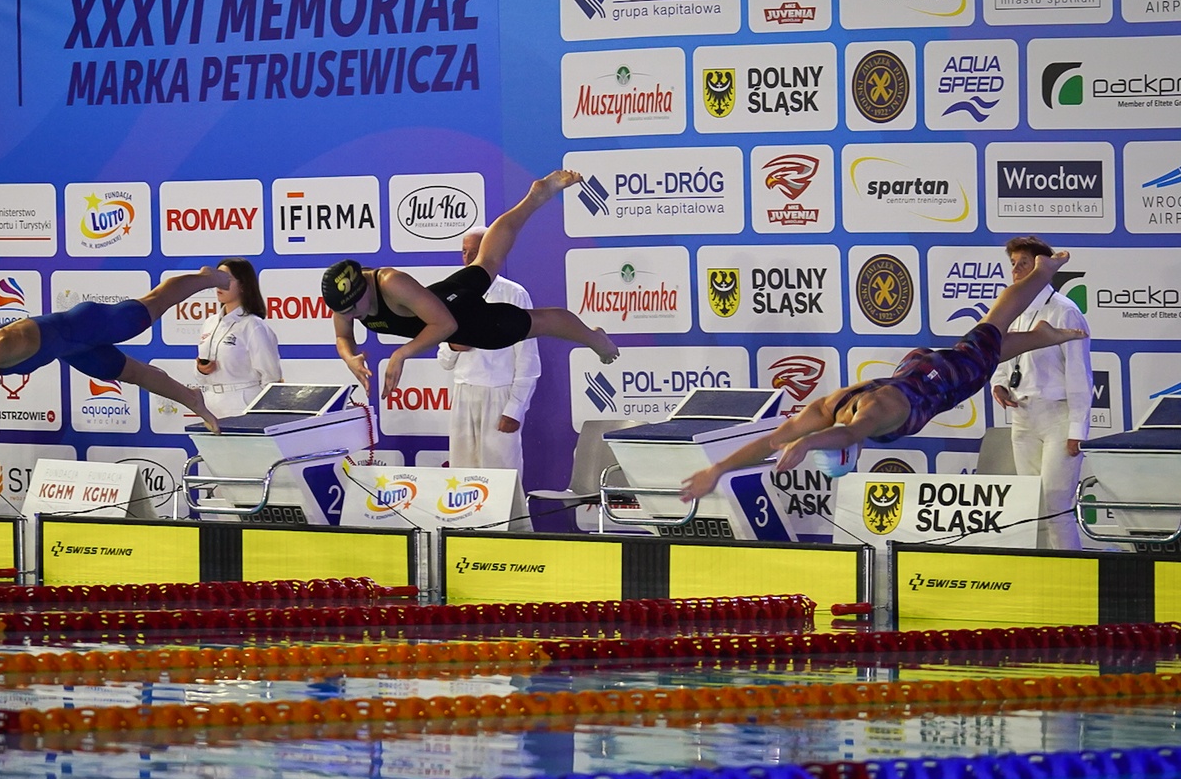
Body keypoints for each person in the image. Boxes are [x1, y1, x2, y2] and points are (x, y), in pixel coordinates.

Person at [681, 251, 1087, 502]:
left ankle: (1043, 272)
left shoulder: (872, 416)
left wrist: (805, 443)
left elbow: (847, 435)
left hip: (941, 380)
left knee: (992, 325)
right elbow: (771, 441)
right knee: (979, 349)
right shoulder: (828, 408)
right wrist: (717, 470)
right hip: (916, 368)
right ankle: (1040, 336)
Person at [322, 169, 618, 398]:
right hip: (446, 294)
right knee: (486, 261)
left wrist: (402, 353)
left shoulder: (392, 283)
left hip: (463, 318)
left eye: (353, 309)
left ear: (364, 286)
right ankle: (536, 196)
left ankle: (597, 340)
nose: (350, 316)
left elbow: (445, 325)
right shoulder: (344, 295)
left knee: (540, 322)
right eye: (344, 312)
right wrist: (350, 358)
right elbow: (343, 336)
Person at [0, 265, 232, 433]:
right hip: (73, 350)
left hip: (84, 324)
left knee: (153, 304)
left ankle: (206, 277)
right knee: (135, 374)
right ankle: (193, 400)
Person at [990, 236, 1091, 550]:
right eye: (1013, 264)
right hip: (1022, 416)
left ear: (1043, 267)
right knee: (1032, 504)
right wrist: (999, 382)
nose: (1016, 270)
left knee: (1056, 503)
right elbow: (1003, 353)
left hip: (1057, 417)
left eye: (1024, 263)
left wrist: (1077, 430)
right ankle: (1042, 570)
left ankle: (1072, 573)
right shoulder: (1012, 307)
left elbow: (1080, 374)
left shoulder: (1064, 311)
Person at [437, 227, 541, 474]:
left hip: (499, 396)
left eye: (475, 252)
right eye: (465, 252)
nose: (468, 258)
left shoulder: (514, 294)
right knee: (462, 476)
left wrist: (515, 409)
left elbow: (527, 358)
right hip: (463, 394)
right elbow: (444, 360)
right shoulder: (451, 292)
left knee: (502, 476)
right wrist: (453, 346)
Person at [196, 257, 283, 419]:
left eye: (226, 279)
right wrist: (201, 369)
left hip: (243, 404)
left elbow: (271, 376)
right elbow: (200, 375)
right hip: (210, 404)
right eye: (217, 278)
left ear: (243, 285)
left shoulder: (253, 325)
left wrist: (263, 413)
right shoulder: (209, 323)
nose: (219, 285)